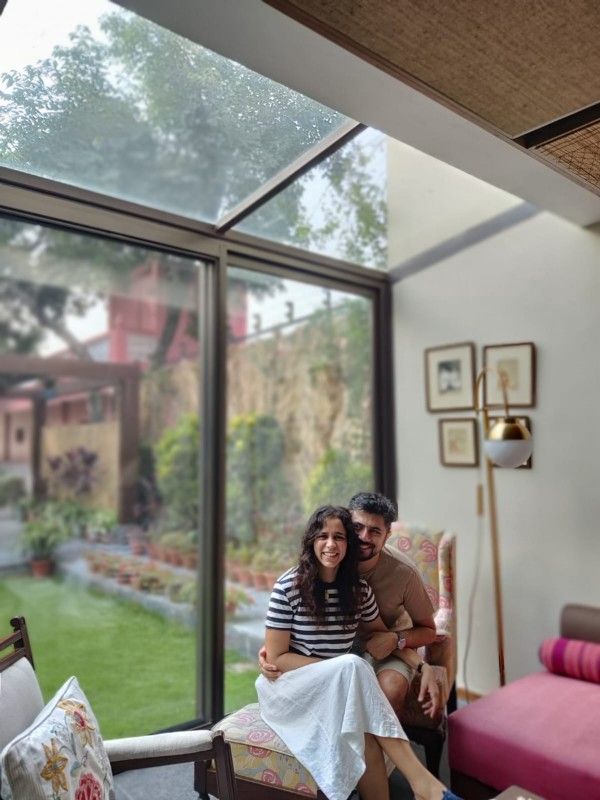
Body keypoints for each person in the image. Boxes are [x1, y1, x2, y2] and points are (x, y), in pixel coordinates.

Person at [256, 504, 462, 800]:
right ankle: (423, 784)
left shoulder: (359, 590)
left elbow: (380, 637)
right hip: (290, 689)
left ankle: (421, 788)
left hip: (336, 688)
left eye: (339, 537)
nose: (331, 544)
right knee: (352, 665)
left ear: (348, 544)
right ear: (311, 540)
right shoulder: (288, 586)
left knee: (367, 740)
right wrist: (334, 670)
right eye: (323, 536)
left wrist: (422, 666)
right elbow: (277, 658)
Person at [261, 491, 441, 718]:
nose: (364, 537)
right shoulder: (325, 560)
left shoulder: (400, 575)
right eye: (357, 528)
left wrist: (404, 646)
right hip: (337, 654)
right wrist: (273, 652)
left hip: (383, 643)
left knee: (389, 690)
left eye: (375, 531)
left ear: (387, 535)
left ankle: (375, 738)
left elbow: (426, 631)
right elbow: (291, 611)